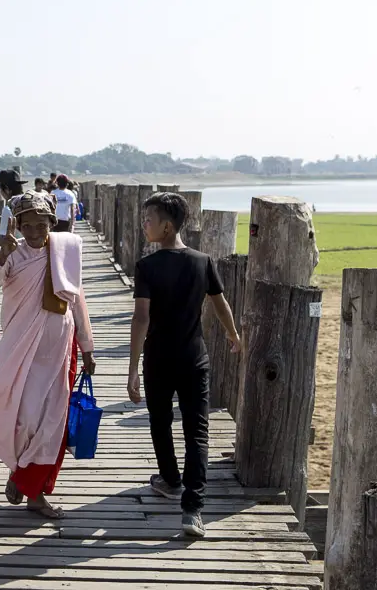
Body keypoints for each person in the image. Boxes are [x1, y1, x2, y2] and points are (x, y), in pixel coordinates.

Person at [127, 192, 241, 538]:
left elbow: (141, 317)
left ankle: (171, 480)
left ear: (167, 226)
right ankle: (192, 510)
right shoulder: (202, 261)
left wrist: (132, 368)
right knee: (197, 432)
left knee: (160, 422)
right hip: (195, 359)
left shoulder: (147, 266)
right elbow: (220, 304)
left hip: (159, 360)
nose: (144, 224)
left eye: (149, 219)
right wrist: (234, 335)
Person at [0, 192, 96, 519]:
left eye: (40, 224)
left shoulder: (66, 249)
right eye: (26, 225)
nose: (34, 232)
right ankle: (20, 471)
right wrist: (1, 254)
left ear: (51, 222)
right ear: (17, 225)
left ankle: (34, 491)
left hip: (59, 347)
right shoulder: (12, 254)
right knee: (24, 417)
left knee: (53, 420)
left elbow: (77, 298)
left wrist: (87, 346)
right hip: (19, 349)